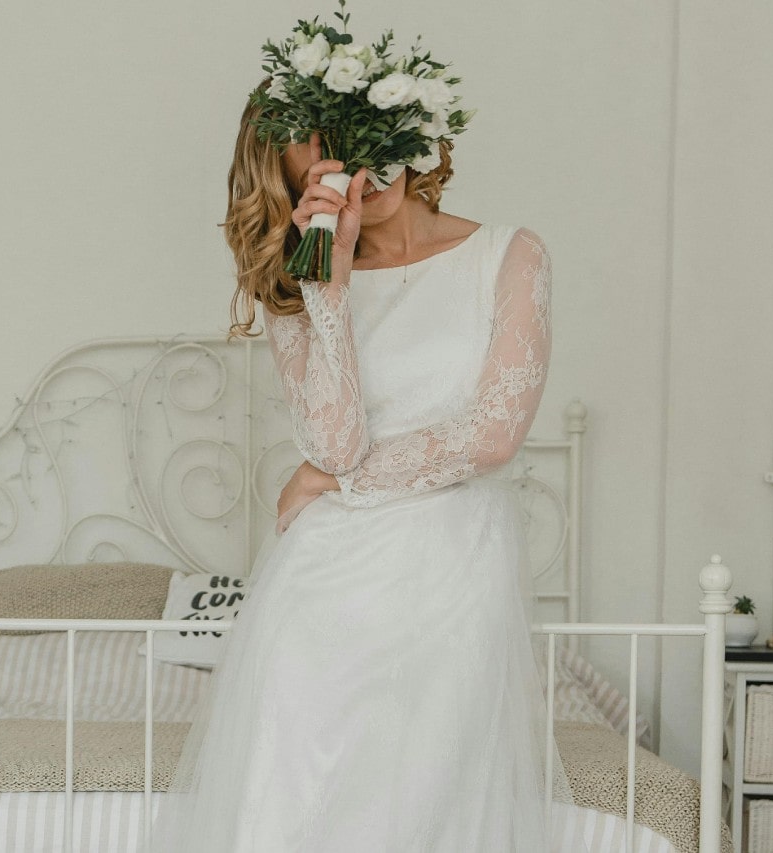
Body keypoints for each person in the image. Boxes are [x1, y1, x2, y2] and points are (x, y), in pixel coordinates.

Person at [149, 90, 578, 852]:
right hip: (319, 589)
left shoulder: (511, 255)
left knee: (426, 801)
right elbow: (335, 442)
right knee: (287, 805)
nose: (348, 176)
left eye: (345, 145)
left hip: (451, 567)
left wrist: (335, 483)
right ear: (295, 192)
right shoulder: (299, 283)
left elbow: (493, 435)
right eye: (316, 172)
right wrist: (329, 284)